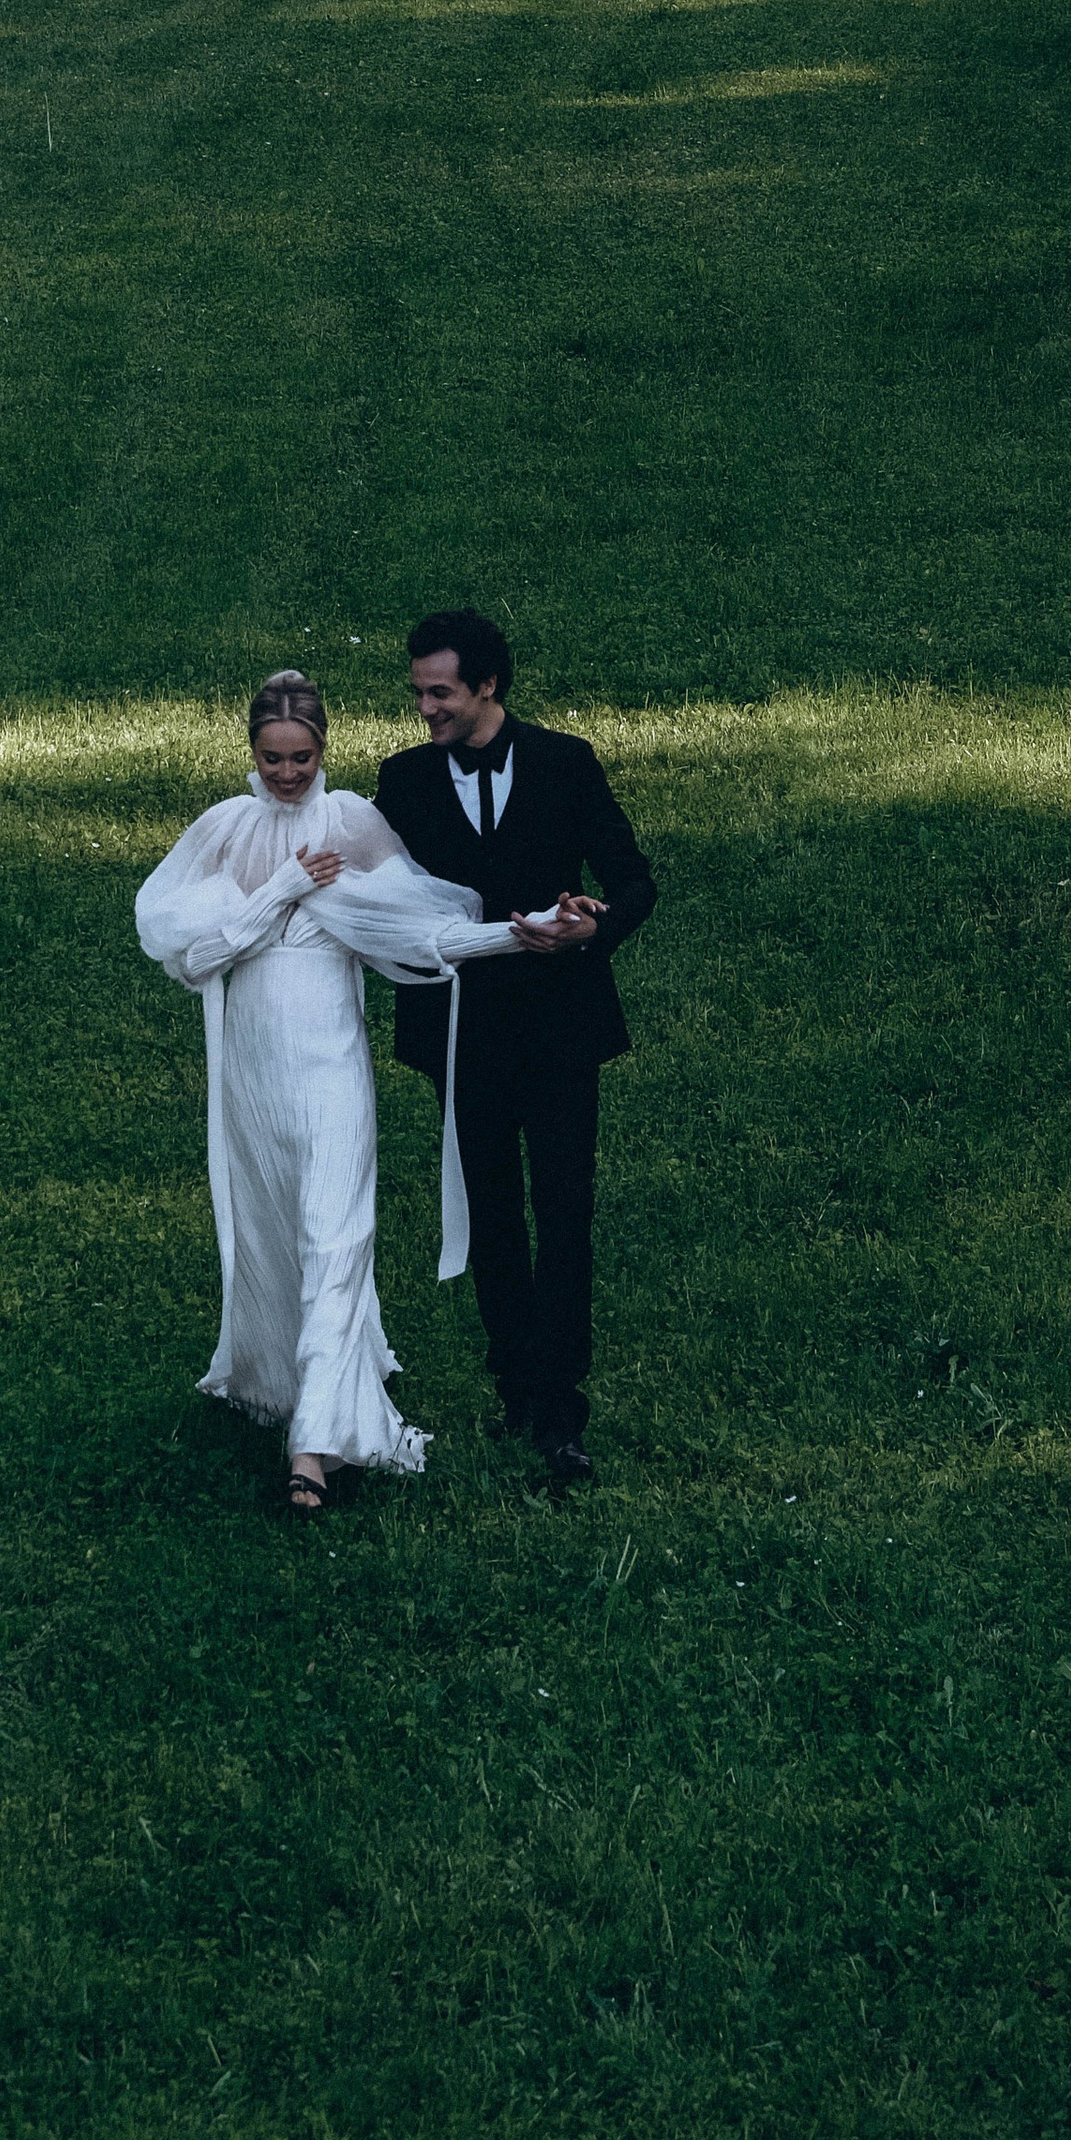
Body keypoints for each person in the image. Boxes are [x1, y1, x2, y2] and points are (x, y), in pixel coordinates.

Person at [135, 669, 521, 1515]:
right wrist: (281, 889)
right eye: (273, 758)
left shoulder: (350, 821)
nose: (287, 774)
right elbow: (193, 957)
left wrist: (521, 937)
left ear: (323, 750)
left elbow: (421, 925)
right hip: (256, 1074)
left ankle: (312, 1446)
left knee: (336, 1236)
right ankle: (286, 1389)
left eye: (302, 757)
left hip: (332, 1066)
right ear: (251, 753)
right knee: (277, 1236)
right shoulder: (226, 831)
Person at [374, 608, 655, 1490]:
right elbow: (375, 895)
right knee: (490, 1215)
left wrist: (590, 928)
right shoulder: (404, 781)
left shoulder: (565, 763)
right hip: (462, 1037)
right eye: (419, 693)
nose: (426, 710)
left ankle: (565, 1411)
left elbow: (635, 881)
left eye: (440, 693)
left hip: (561, 1029)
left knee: (565, 1212)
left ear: (487, 685)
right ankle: (518, 1390)